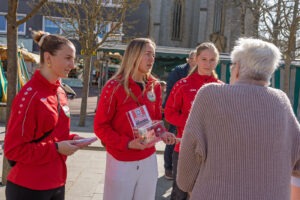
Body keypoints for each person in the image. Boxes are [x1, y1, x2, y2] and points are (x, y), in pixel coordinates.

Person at [177, 38, 300, 200]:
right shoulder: (281, 101)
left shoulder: (210, 94)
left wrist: (189, 186)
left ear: (238, 69)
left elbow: (189, 156)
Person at [4, 30, 92, 200]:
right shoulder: (29, 96)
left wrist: (72, 139)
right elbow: (13, 150)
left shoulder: (60, 90)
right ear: (48, 58)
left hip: (57, 183)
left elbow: (54, 134)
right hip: (29, 187)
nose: (73, 65)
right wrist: (57, 148)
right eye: (68, 58)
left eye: (73, 59)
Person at [94, 38, 176, 200]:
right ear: (133, 55)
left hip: (148, 159)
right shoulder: (114, 86)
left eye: (153, 55)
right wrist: (127, 143)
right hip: (121, 161)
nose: (151, 59)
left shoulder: (155, 86)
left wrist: (163, 133)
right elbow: (100, 127)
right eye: (147, 54)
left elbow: (154, 120)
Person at [164, 42, 222, 200]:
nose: (208, 64)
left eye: (212, 60)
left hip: (211, 152)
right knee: (179, 193)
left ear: (216, 62)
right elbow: (169, 113)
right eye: (204, 59)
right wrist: (193, 124)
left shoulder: (222, 88)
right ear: (196, 59)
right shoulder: (182, 85)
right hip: (184, 149)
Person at [163, 50, 197, 180]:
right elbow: (171, 90)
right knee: (172, 138)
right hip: (176, 112)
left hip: (190, 115)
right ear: (189, 60)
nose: (196, 62)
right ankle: (168, 168)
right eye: (194, 59)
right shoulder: (178, 71)